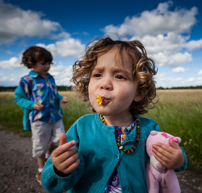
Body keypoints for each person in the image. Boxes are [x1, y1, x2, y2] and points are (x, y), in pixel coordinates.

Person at [41, 37, 187, 193]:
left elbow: (167, 153)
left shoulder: (148, 128)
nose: (104, 84)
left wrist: (178, 160)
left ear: (138, 92)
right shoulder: (82, 127)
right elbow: (51, 185)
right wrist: (60, 170)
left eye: (119, 76)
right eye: (97, 75)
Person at [14, 46, 68, 185]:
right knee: (40, 145)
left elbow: (54, 94)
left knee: (59, 140)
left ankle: (48, 154)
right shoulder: (27, 80)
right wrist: (32, 105)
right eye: (44, 63)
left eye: (49, 63)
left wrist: (60, 97)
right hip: (39, 120)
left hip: (55, 116)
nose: (47, 66)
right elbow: (18, 98)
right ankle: (41, 168)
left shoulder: (50, 78)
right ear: (31, 63)